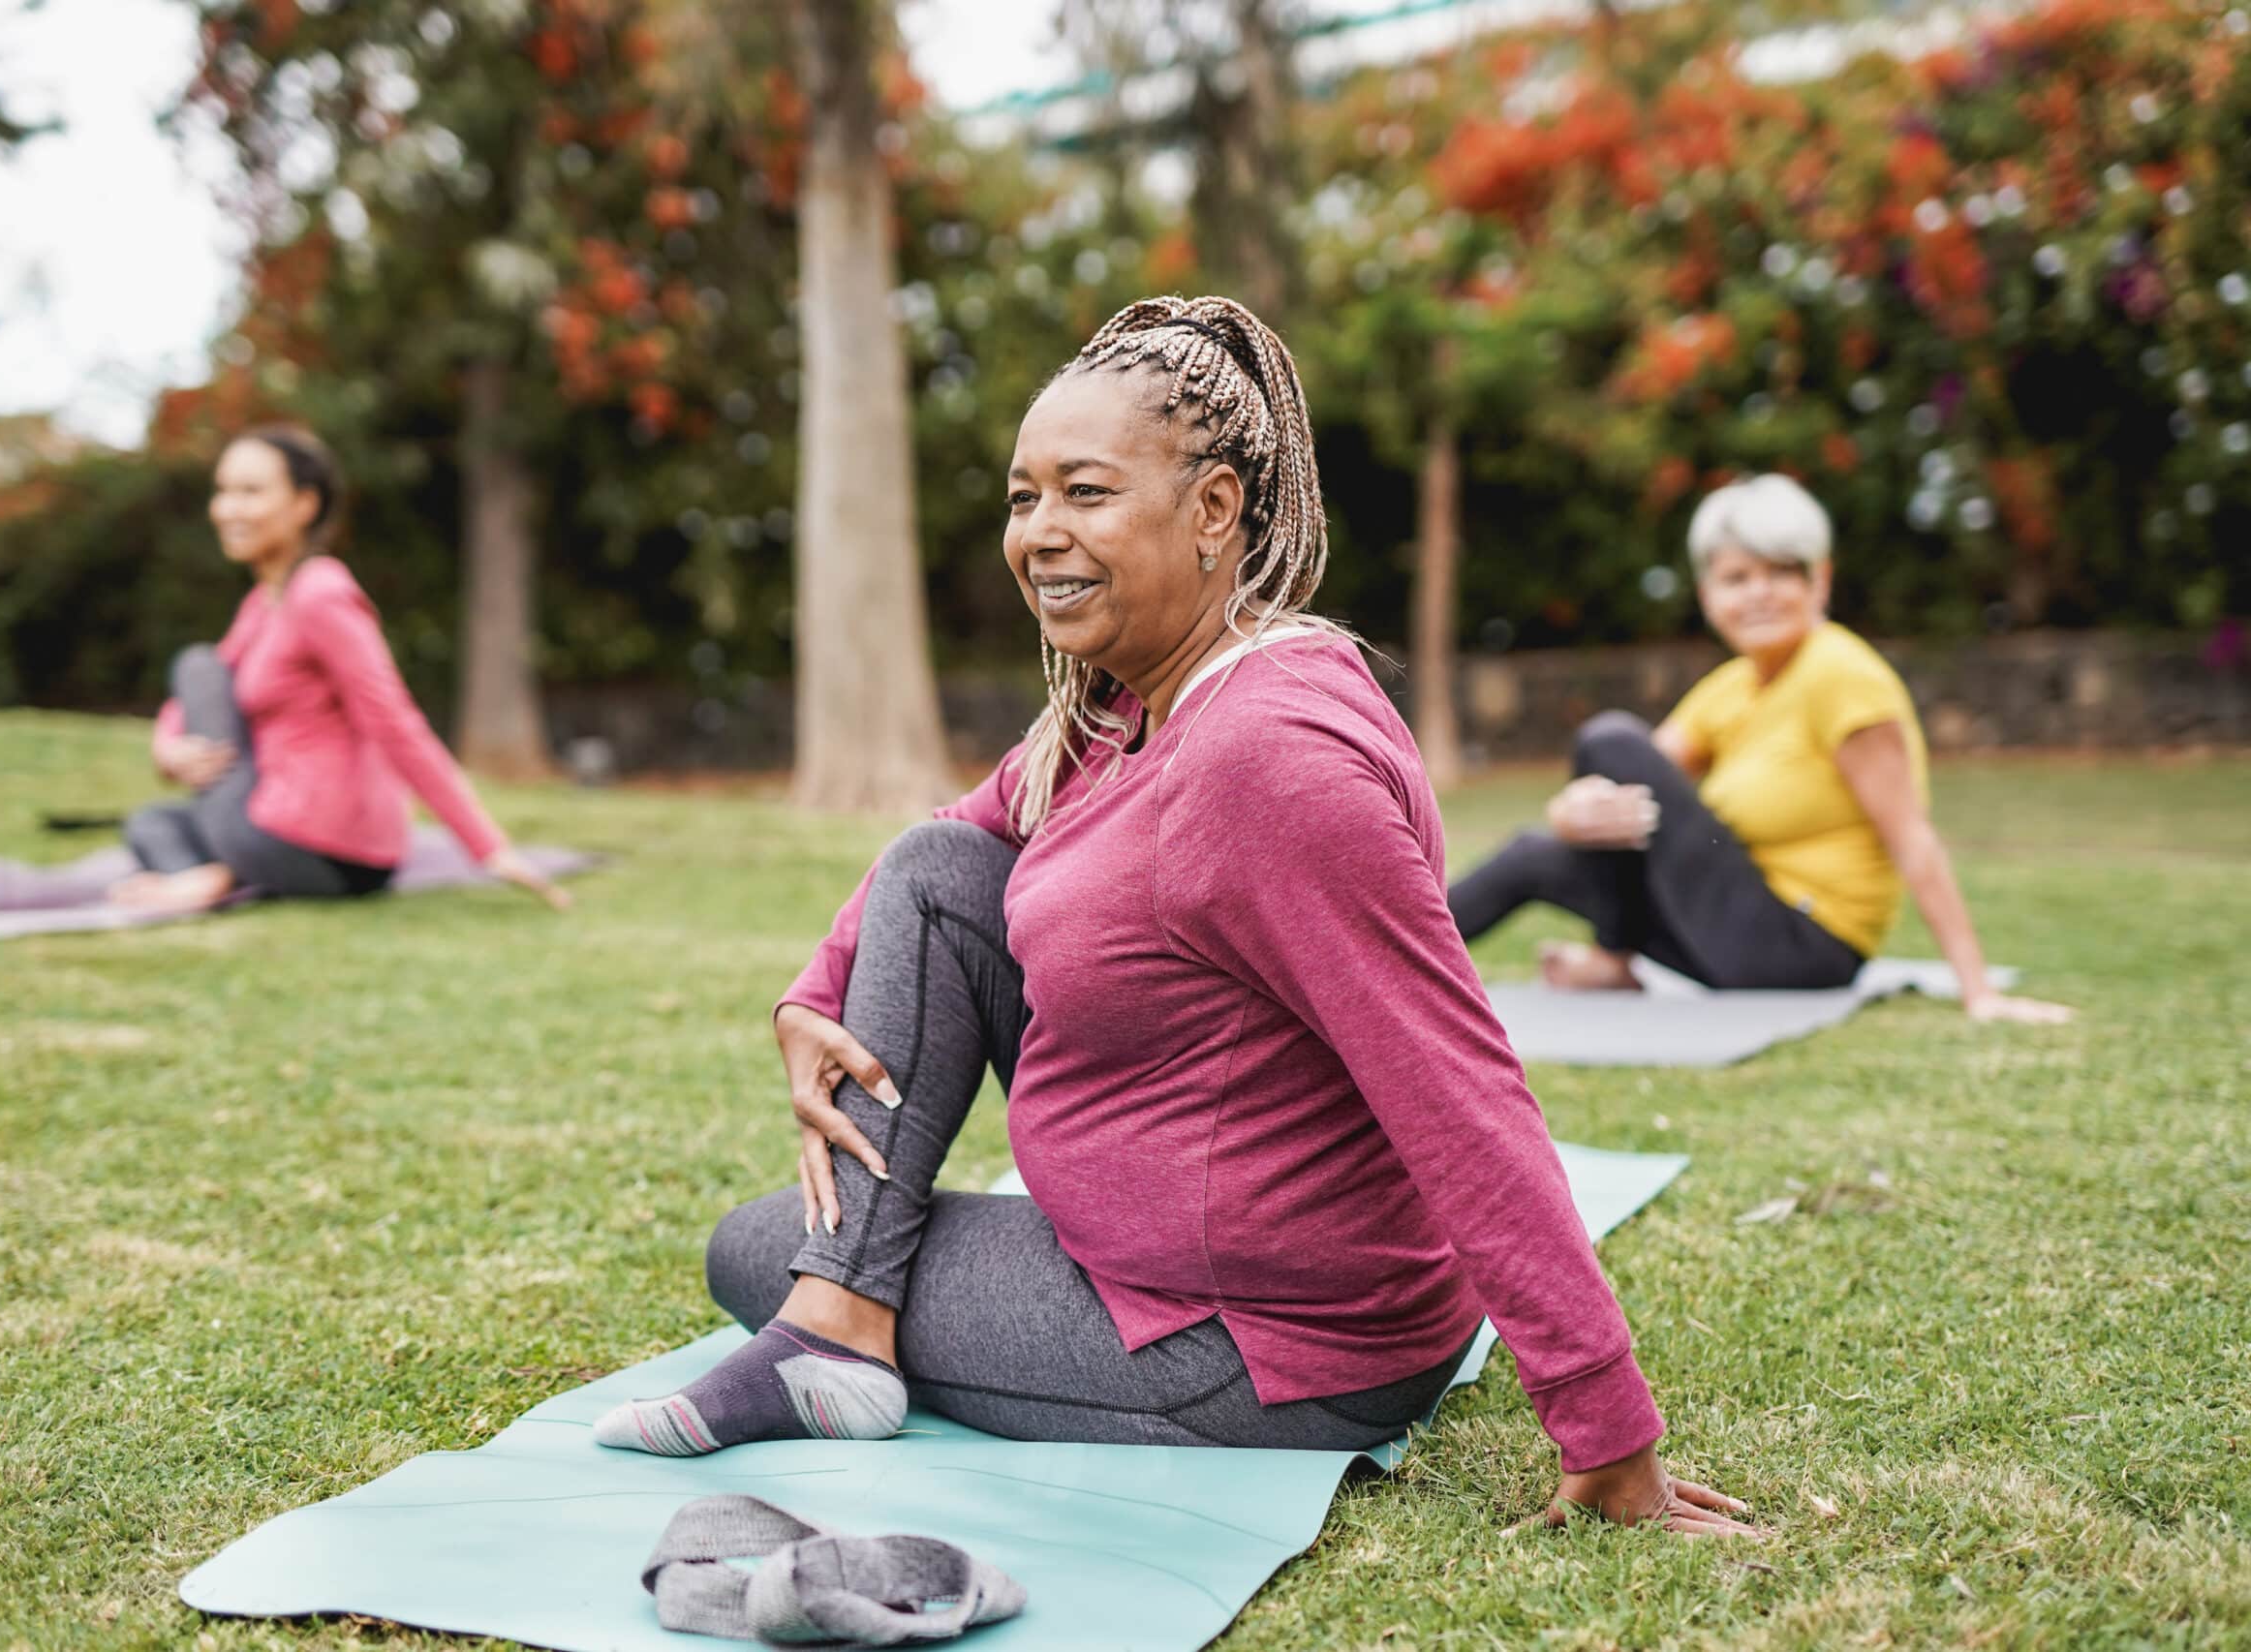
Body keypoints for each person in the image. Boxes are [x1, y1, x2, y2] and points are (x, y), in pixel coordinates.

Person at [595, 297, 1751, 1539]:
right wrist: (811, 992)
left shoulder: (1266, 757)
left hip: (1258, 1343)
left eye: (1085, 492)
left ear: (1212, 511)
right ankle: (840, 1321)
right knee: (935, 874)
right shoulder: (1124, 705)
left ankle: (834, 1324)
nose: (1040, 533)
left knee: (753, 1246)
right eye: (1021, 496)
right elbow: (956, 837)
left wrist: (1607, 1430)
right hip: (1174, 1267)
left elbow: (1456, 1084)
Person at [1446, 474, 2069, 1023]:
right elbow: (1631, 781)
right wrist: (1570, 812)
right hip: (1728, 928)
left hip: (1803, 943)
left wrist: (1978, 992)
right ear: (1708, 595)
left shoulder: (1841, 675)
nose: (1759, 594)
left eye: (1781, 572)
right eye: (1737, 578)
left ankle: (1612, 959)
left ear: (1820, 580)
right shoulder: (1733, 687)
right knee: (1534, 853)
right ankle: (1373, 979)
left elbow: (1911, 834)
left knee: (1607, 735)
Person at [113, 426, 566, 915]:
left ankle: (217, 875)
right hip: (276, 829)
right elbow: (198, 694)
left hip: (319, 844)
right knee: (150, 824)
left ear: (305, 505)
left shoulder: (320, 593)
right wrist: (168, 750)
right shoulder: (264, 604)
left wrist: (488, 846)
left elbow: (395, 722)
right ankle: (214, 876)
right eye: (223, 491)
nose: (227, 509)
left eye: (250, 491)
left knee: (196, 663)